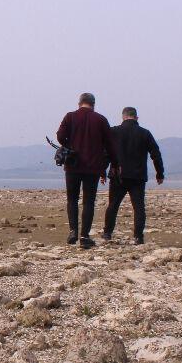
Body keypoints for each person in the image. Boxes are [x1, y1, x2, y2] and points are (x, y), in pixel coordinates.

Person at [56, 92, 119, 249]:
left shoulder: (70, 117)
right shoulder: (101, 119)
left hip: (72, 164)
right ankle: (84, 236)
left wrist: (69, 144)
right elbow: (110, 145)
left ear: (79, 103)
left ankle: (72, 231)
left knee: (72, 199)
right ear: (93, 104)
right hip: (92, 166)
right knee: (88, 201)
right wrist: (115, 163)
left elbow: (60, 136)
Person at [102, 106, 164, 245]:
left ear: (123, 117)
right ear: (136, 117)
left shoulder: (114, 131)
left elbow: (106, 153)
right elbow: (155, 154)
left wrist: (102, 171)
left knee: (113, 205)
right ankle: (138, 236)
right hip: (138, 175)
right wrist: (159, 173)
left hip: (118, 174)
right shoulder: (145, 133)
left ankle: (107, 233)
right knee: (139, 207)